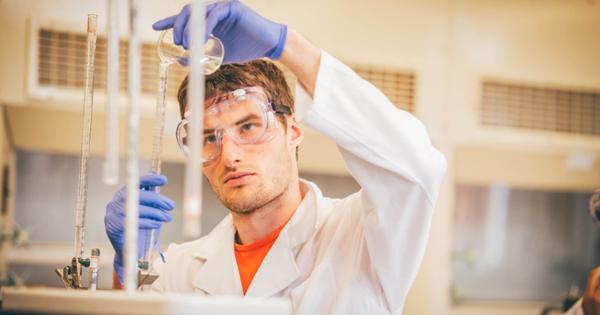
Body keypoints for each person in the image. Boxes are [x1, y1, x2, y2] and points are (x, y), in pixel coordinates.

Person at [104, 1, 447, 313]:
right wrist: (128, 268)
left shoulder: (362, 239)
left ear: (293, 131)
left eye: (249, 126)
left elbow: (417, 165)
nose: (230, 154)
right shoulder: (179, 267)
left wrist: (286, 45)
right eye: (209, 137)